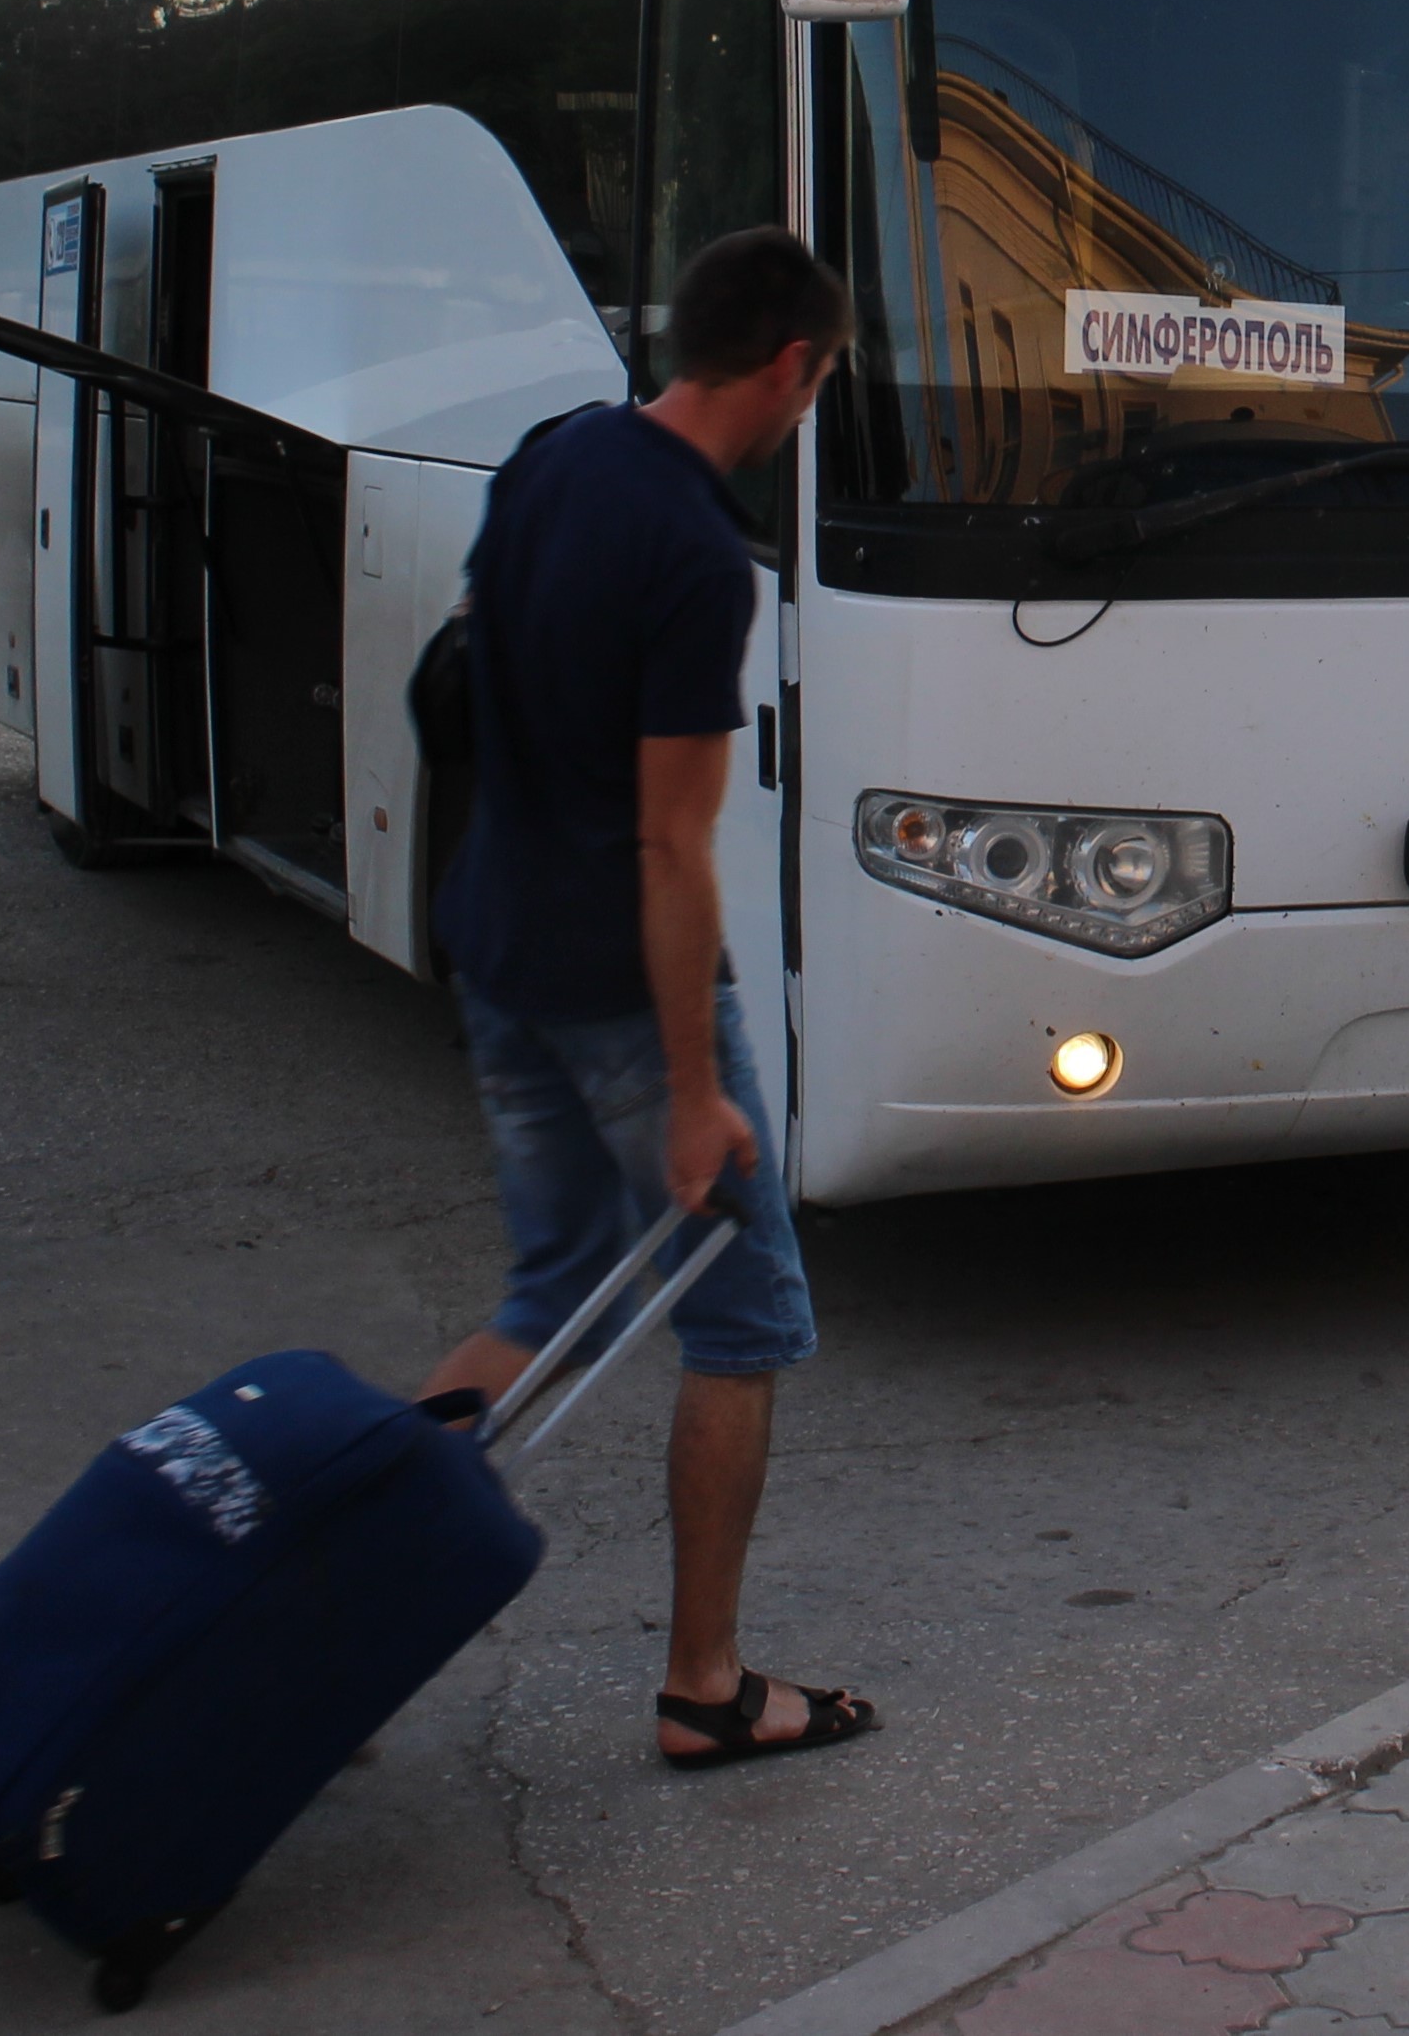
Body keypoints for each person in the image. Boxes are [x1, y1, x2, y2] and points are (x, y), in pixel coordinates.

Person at [422, 228, 870, 1771]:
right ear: (786, 367)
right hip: (616, 987)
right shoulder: (694, 554)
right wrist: (693, 1089)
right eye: (817, 382)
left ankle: (316, 1561)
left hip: (493, 939)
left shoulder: (555, 458)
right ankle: (703, 1681)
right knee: (745, 1317)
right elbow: (669, 842)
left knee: (548, 1293)